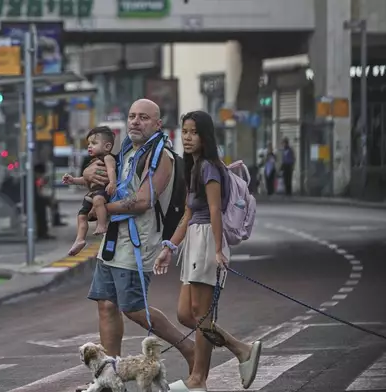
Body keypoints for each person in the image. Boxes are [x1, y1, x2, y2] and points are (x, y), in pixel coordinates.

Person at [76, 99, 195, 392]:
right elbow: (100, 172)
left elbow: (143, 201)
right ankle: (108, 378)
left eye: (143, 117)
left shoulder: (161, 155)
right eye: (131, 116)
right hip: (112, 241)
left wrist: (101, 209)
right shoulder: (128, 150)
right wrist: (88, 176)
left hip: (138, 243)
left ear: (157, 124)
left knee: (134, 309)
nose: (135, 122)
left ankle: (190, 349)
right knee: (106, 305)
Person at [153, 111, 261, 392]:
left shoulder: (210, 168)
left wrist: (217, 250)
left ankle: (198, 380)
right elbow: (188, 212)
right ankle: (240, 349)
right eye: (185, 132)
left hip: (206, 242)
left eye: (194, 132)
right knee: (186, 314)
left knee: (200, 315)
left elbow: (214, 210)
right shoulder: (194, 166)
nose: (187, 138)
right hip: (193, 241)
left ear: (205, 136)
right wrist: (170, 247)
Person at [62, 126, 117, 255]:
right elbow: (86, 180)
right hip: (91, 193)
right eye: (88, 144)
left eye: (94, 143)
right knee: (81, 216)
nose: (89, 146)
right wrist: (73, 180)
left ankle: (102, 224)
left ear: (107, 147)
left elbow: (111, 171)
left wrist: (112, 182)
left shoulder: (108, 158)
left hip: (102, 191)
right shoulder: (92, 162)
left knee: (98, 200)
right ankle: (80, 239)